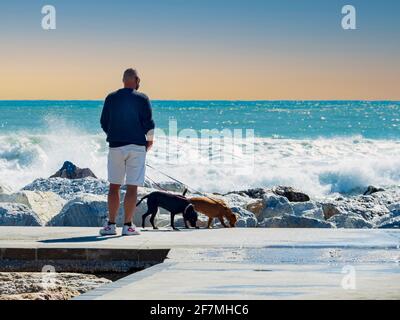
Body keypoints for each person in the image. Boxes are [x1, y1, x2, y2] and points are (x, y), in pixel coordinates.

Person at [99, 68, 155, 236]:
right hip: (137, 147)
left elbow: (103, 122)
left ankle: (110, 225)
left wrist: (113, 134)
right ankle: (128, 226)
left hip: (115, 146)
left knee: (114, 186)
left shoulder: (111, 97)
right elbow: (149, 124)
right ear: (136, 80)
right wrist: (149, 141)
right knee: (132, 187)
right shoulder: (142, 98)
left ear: (123, 80)